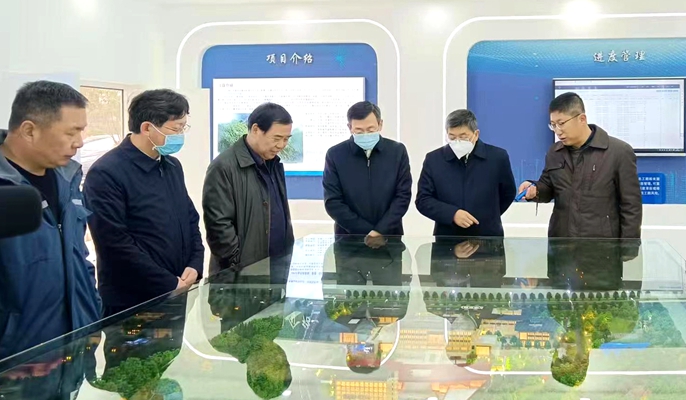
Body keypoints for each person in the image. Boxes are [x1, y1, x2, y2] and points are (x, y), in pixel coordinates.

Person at [0, 80, 101, 359]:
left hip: (74, 349)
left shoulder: (69, 181)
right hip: (17, 361)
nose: (79, 142)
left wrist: (92, 315)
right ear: (29, 130)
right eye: (71, 132)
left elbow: (80, 258)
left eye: (81, 131)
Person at [83, 89, 204, 317]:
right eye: (176, 129)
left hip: (177, 291)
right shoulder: (107, 173)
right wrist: (168, 283)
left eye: (183, 128)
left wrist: (195, 264)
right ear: (147, 127)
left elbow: (190, 220)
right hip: (133, 301)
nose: (181, 135)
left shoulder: (172, 166)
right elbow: (114, 244)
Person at [518, 92, 642, 239]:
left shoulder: (618, 152)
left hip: (602, 245)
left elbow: (631, 206)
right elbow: (548, 187)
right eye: (553, 125)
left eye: (561, 123)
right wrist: (535, 189)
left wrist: (628, 247)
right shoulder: (555, 152)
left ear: (582, 119)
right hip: (561, 243)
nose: (557, 131)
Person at [203, 103, 294, 274]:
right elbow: (219, 226)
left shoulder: (274, 164)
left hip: (276, 268)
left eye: (286, 139)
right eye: (276, 138)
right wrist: (239, 264)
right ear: (256, 129)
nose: (282, 145)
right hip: (242, 275)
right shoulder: (224, 166)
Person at [416, 109, 516, 237]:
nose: (457, 141)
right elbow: (423, 200)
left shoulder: (497, 157)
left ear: (476, 134)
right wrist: (452, 214)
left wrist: (487, 215)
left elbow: (508, 193)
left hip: (488, 237)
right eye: (452, 137)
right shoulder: (434, 160)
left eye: (463, 137)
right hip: (447, 238)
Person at [323, 101, 412, 240]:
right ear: (350, 127)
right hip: (349, 239)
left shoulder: (397, 151)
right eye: (359, 131)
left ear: (380, 124)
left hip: (389, 236)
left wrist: (381, 230)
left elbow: (403, 195)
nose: (365, 135)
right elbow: (333, 201)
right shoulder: (335, 154)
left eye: (370, 130)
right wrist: (366, 232)